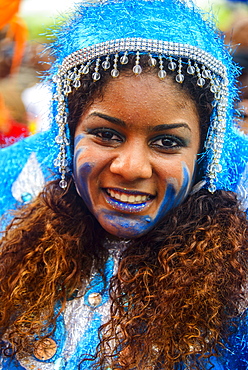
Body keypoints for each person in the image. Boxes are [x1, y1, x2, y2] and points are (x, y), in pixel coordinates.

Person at [0, 0, 248, 369]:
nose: (130, 168)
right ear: (68, 137)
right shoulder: (12, 223)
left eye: (167, 142)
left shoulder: (238, 283)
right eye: (105, 134)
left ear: (202, 156)